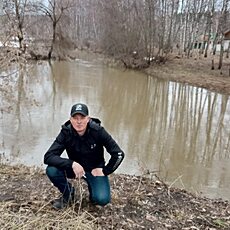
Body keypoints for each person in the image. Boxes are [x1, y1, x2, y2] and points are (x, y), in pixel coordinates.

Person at [44, 103, 125, 209]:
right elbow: (48, 156)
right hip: (75, 169)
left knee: (101, 199)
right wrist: (71, 163)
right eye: (75, 118)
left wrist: (105, 170)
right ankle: (69, 194)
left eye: (82, 118)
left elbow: (118, 154)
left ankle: (93, 190)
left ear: (88, 119)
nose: (79, 122)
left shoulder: (98, 131)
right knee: (51, 170)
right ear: (70, 119)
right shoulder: (66, 132)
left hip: (94, 171)